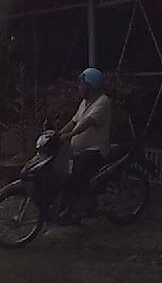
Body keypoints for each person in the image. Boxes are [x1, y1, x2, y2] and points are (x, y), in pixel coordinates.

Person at [58, 67, 112, 222]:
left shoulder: (103, 102)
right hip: (79, 150)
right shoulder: (84, 102)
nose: (79, 87)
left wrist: (69, 135)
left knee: (78, 169)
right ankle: (71, 205)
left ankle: (80, 207)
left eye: (82, 84)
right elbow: (74, 121)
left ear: (90, 85)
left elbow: (87, 122)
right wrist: (57, 135)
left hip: (95, 150)